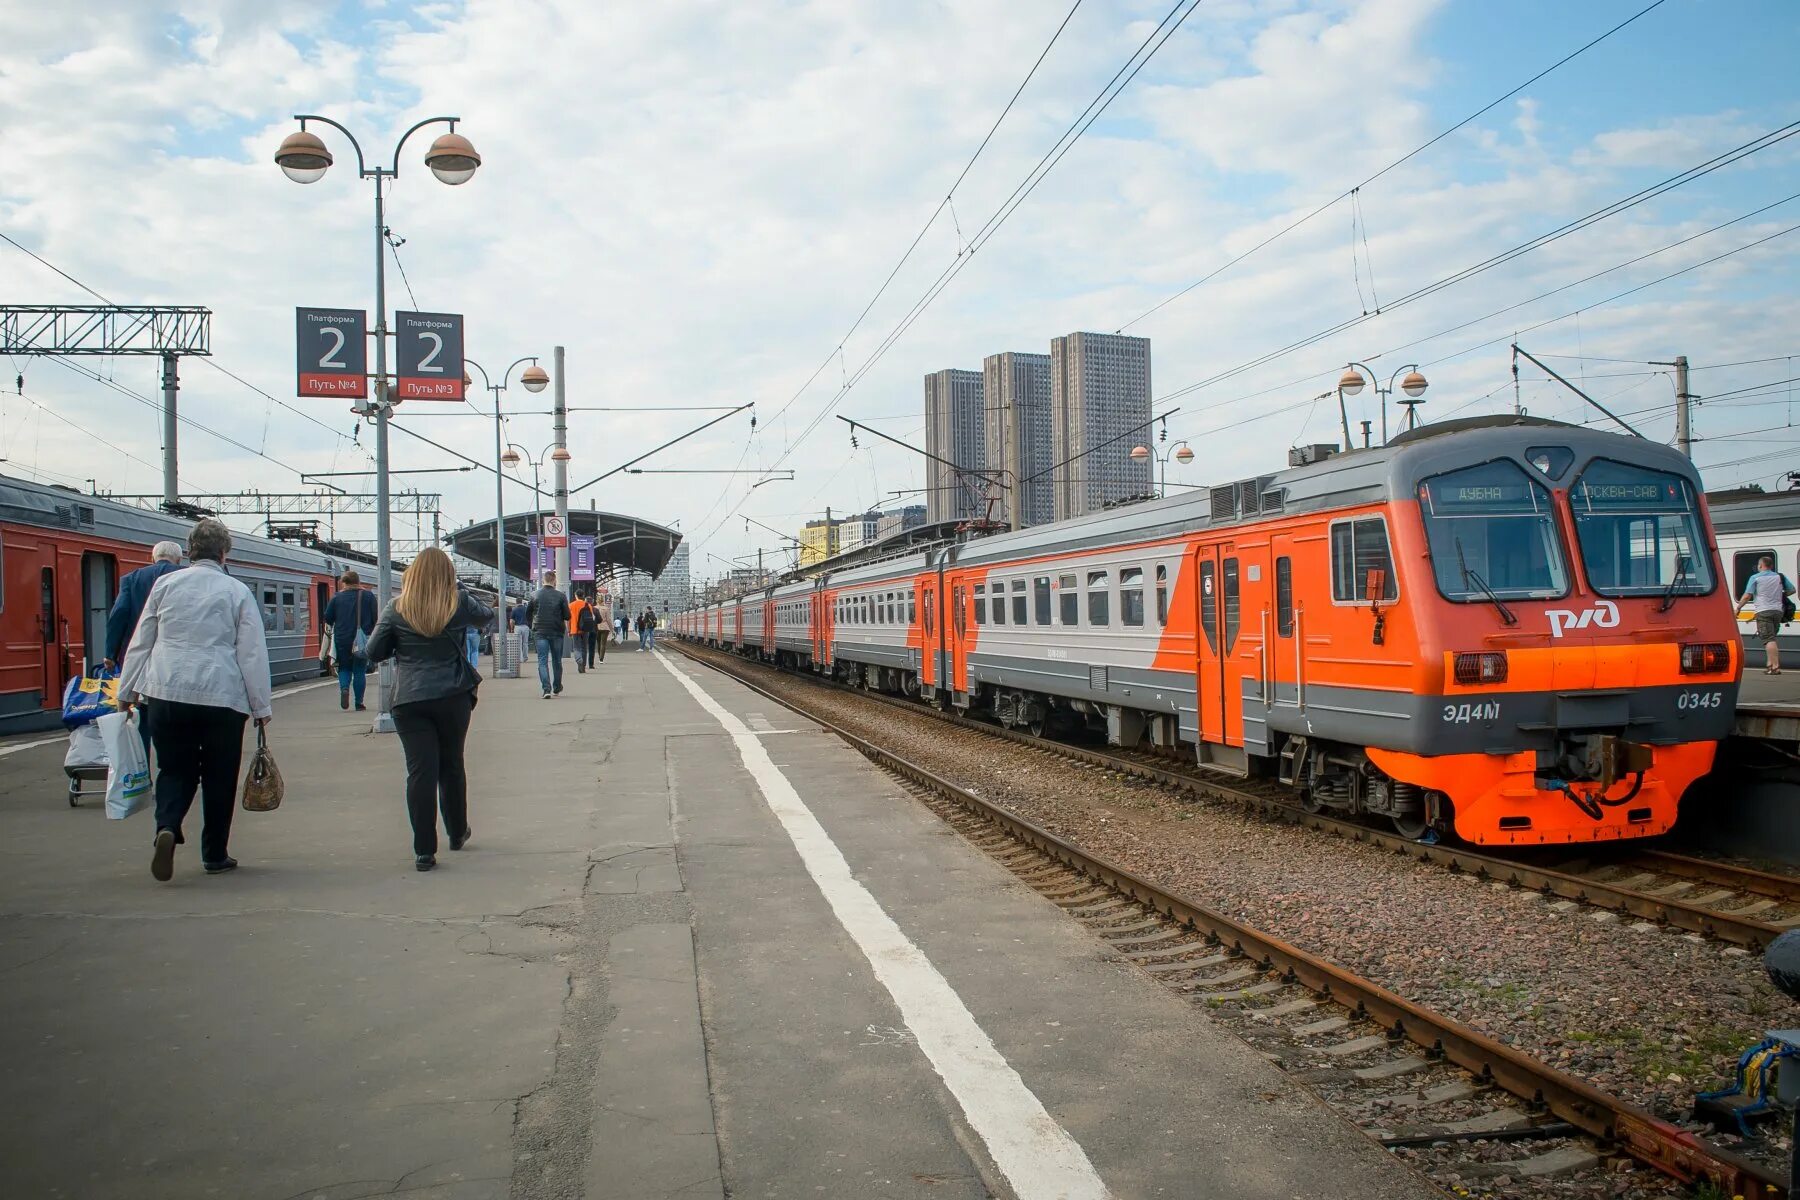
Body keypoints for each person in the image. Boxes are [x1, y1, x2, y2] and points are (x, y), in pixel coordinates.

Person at [116, 518, 272, 883]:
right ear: (224, 552)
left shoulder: (165, 585)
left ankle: (167, 826)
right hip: (222, 696)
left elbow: (142, 641)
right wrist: (261, 706)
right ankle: (215, 854)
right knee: (219, 775)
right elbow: (251, 653)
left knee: (173, 768)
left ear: (189, 552)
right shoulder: (236, 592)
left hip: (166, 691)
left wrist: (126, 692)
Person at [365, 548, 493, 872]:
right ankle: (457, 831)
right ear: (448, 578)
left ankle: (424, 850)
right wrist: (460, 590)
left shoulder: (396, 608)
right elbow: (486, 615)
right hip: (452, 696)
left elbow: (374, 651)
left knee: (420, 772)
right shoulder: (458, 603)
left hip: (410, 700)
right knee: (452, 765)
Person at [103, 539, 184, 760]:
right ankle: (171, 770)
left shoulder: (132, 579)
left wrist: (111, 653)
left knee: (142, 720)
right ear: (179, 559)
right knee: (174, 726)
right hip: (175, 663)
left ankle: (141, 775)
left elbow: (117, 617)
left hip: (139, 662)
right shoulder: (186, 576)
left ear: (152, 557)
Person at [322, 570, 378, 711]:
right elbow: (375, 617)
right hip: (362, 639)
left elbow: (328, 618)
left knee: (344, 668)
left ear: (344, 583)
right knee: (359, 669)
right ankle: (359, 703)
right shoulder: (368, 596)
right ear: (358, 581)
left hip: (342, 638)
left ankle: (344, 689)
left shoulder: (336, 598)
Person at [1739, 555, 1796, 675]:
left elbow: (1747, 596)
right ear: (1771, 566)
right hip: (1778, 611)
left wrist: (1738, 608)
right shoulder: (1779, 577)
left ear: (1760, 565)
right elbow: (1792, 590)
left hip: (1764, 611)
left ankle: (1775, 667)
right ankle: (1769, 665)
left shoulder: (1755, 578)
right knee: (1771, 638)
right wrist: (1778, 595)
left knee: (1768, 639)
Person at [527, 571, 572, 698]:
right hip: (556, 632)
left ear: (543, 581)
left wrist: (533, 626)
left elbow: (528, 613)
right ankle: (557, 687)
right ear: (554, 581)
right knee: (557, 661)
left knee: (542, 661)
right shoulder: (561, 596)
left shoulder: (534, 595)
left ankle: (546, 689)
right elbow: (567, 616)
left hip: (539, 632)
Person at [568, 591, 592, 674]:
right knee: (584, 648)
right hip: (585, 629)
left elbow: (568, 619)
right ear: (583, 596)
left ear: (575, 596)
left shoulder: (571, 605)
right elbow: (590, 618)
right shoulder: (588, 605)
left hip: (575, 629)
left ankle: (579, 660)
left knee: (576, 648)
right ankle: (583, 667)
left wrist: (569, 630)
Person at [591, 594, 610, 664]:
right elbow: (608, 620)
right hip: (605, 627)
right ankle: (601, 659)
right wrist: (612, 629)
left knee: (598, 643)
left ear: (596, 601)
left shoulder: (593, 608)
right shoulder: (606, 609)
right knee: (603, 644)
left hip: (596, 626)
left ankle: (600, 656)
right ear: (603, 601)